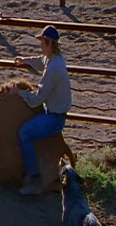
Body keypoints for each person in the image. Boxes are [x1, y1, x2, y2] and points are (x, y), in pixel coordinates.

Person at [13, 25, 72, 195]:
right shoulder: (55, 59)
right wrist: (26, 60)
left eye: (42, 42)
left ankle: (34, 177)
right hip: (53, 112)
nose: (40, 45)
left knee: (24, 133)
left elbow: (38, 97)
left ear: (49, 43)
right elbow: (41, 61)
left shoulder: (53, 69)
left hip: (54, 117)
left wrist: (20, 92)